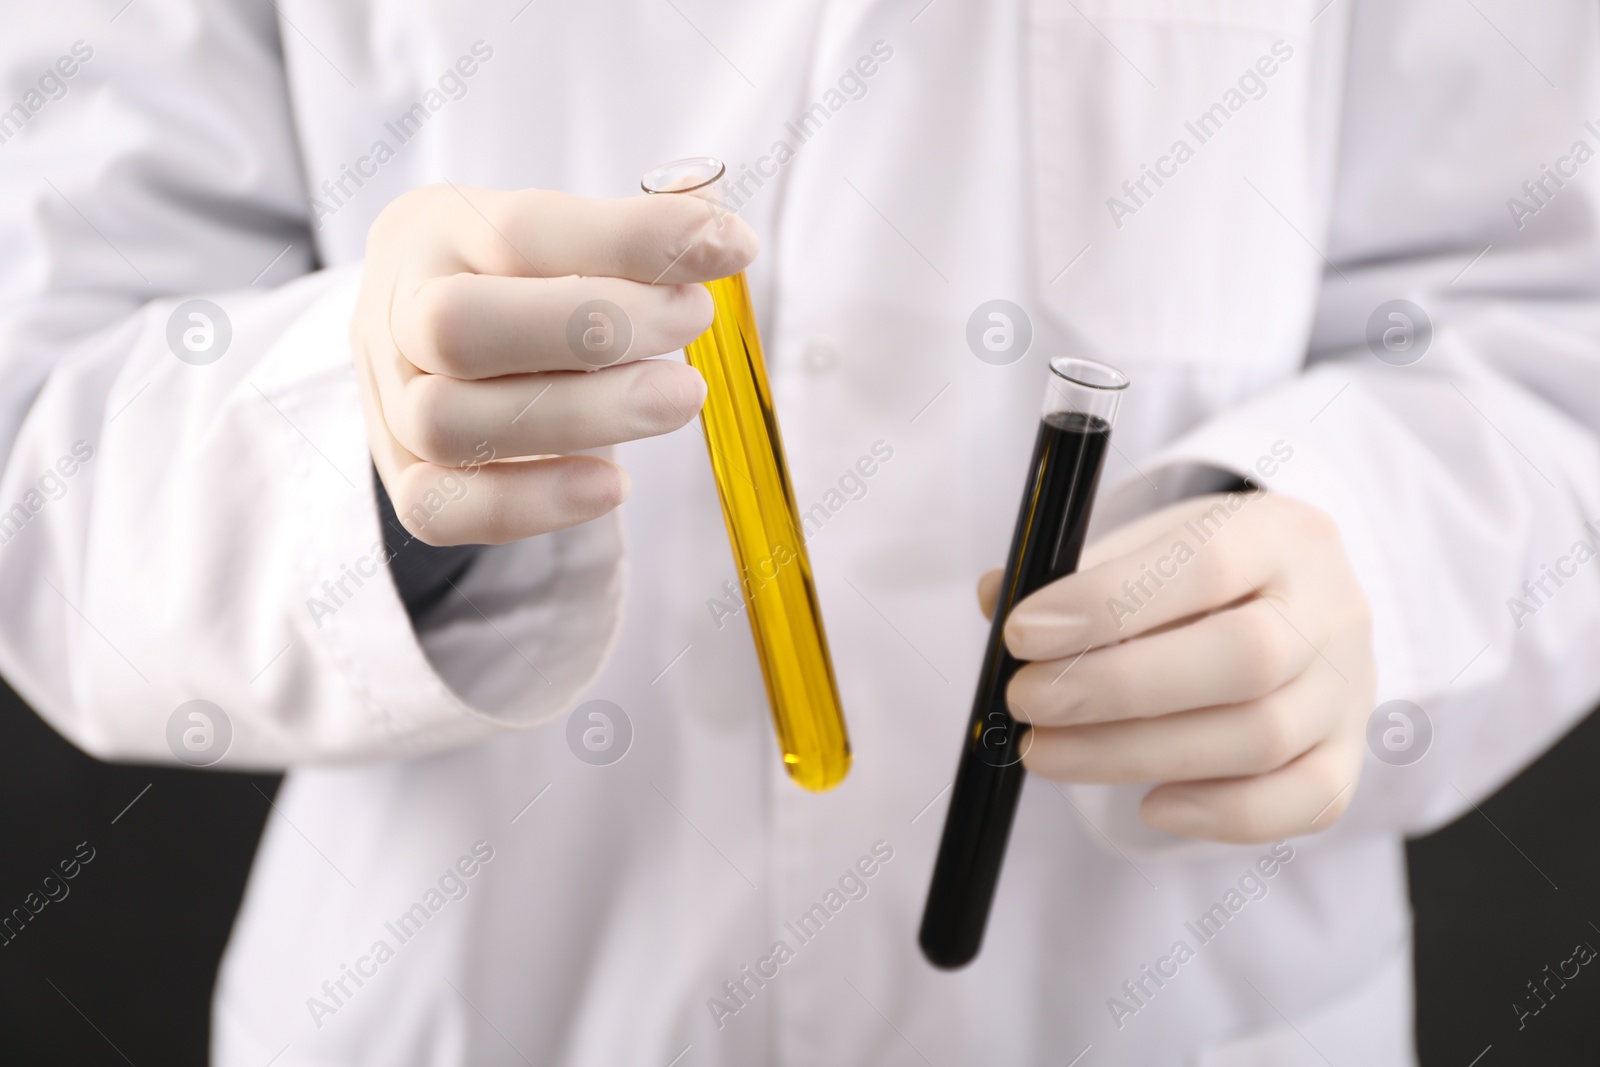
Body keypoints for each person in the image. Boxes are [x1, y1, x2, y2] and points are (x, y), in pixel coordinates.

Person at [2, 1, 1597, 1063]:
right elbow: (45, 434)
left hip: (1146, 994)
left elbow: (1553, 315)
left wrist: (1369, 551)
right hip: (485, 989)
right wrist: (367, 444)